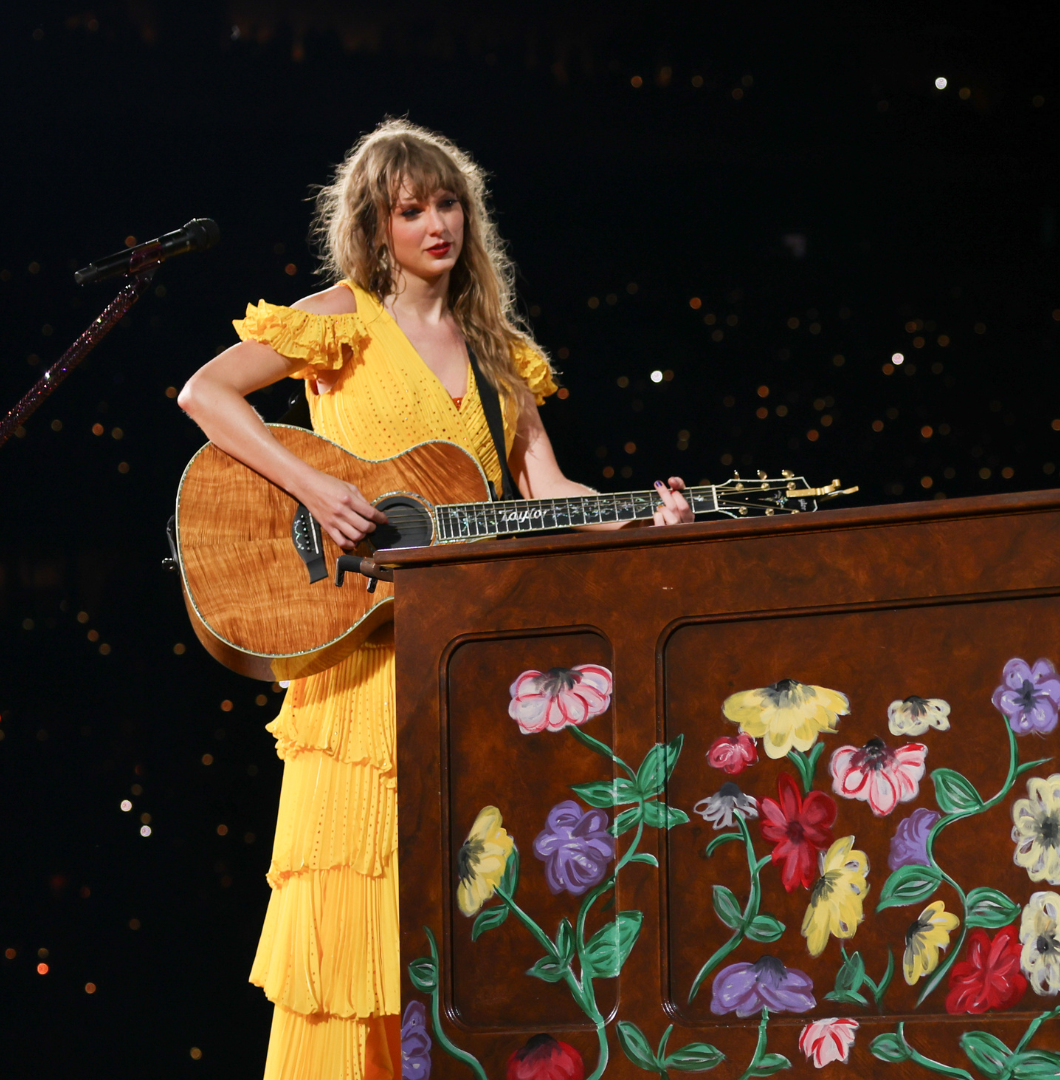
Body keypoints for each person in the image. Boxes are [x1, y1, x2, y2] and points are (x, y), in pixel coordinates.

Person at [177, 118, 692, 1079]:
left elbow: (549, 494)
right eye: (411, 209)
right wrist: (312, 485)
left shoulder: (503, 352)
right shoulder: (337, 322)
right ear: (377, 227)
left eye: (447, 202)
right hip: (361, 663)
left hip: (467, 663)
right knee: (357, 919)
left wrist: (641, 515)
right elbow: (207, 395)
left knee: (456, 923)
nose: (435, 224)